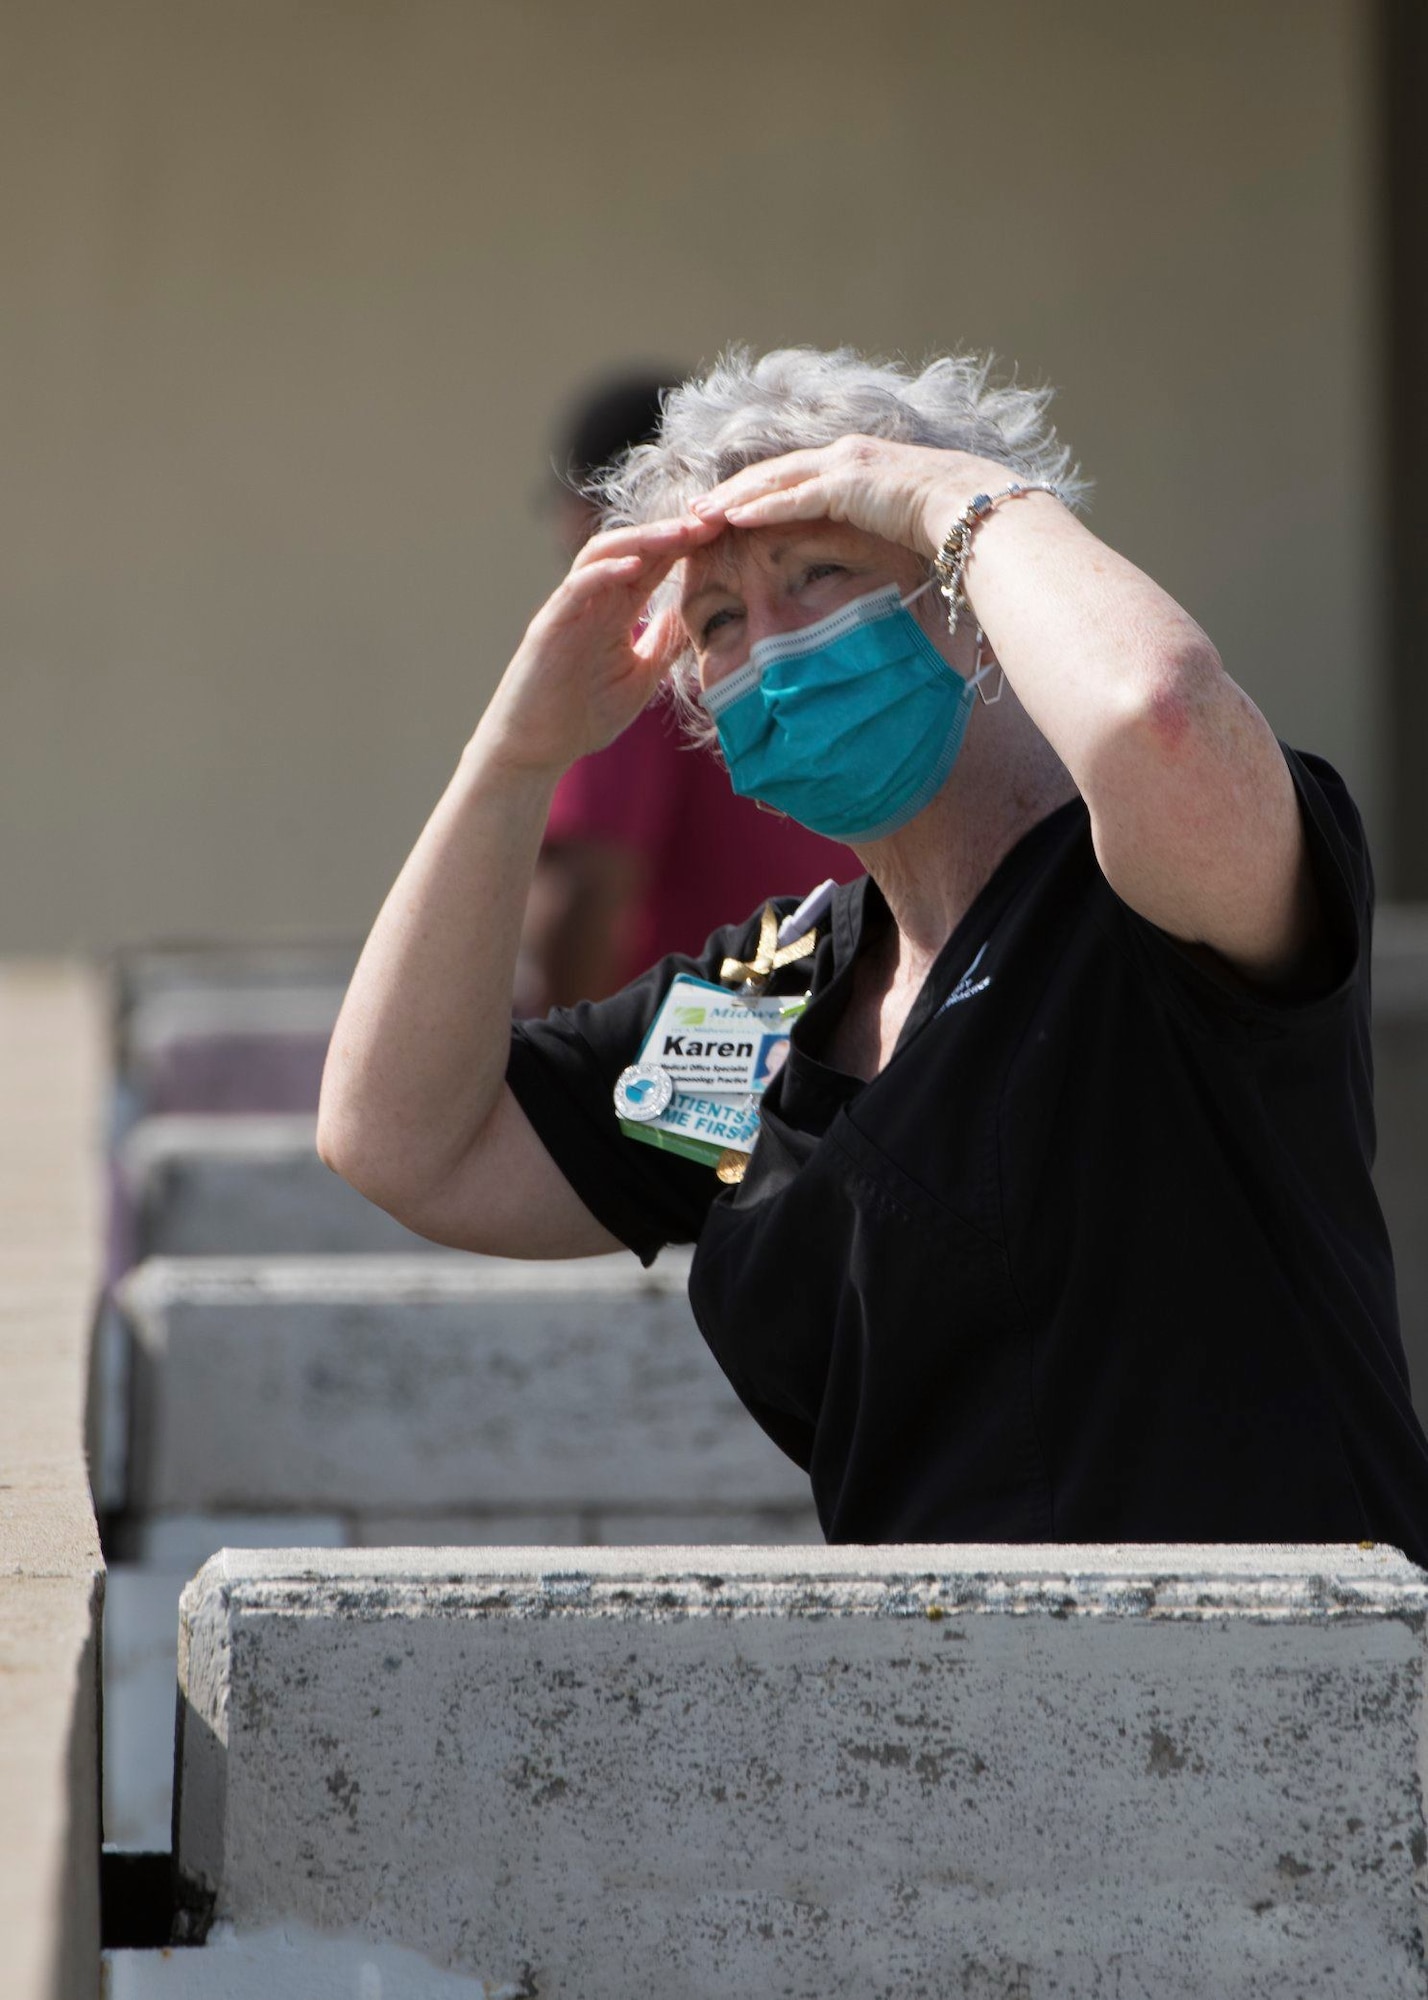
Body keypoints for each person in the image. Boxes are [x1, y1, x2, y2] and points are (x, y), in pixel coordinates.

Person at [319, 346, 1428, 1563]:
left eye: (823, 571)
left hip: (1299, 1703)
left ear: (966, 594)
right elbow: (405, 1139)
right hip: (939, 1720)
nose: (773, 650)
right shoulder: (766, 1001)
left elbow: (1158, 717)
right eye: (721, 619)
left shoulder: (1145, 894)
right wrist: (518, 752)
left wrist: (953, 494)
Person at [517, 370, 853, 1012]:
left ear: (595, 508)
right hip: (827, 1005)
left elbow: (590, 882)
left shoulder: (634, 638)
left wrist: (567, 1074)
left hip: (698, 1047)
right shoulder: (791, 624)